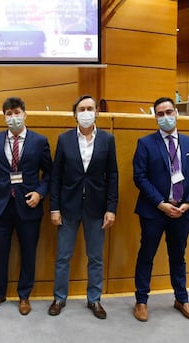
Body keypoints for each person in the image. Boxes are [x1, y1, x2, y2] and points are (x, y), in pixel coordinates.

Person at [133, 97, 189, 322]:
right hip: (154, 211)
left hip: (182, 212)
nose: (165, 117)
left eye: (169, 112)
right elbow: (140, 177)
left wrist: (188, 203)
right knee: (147, 255)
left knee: (178, 256)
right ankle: (142, 301)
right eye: (160, 113)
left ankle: (181, 299)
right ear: (155, 117)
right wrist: (160, 204)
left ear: (177, 113)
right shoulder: (145, 143)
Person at [47, 95, 118, 319]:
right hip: (68, 207)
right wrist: (54, 207)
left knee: (95, 257)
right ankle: (59, 297)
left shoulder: (107, 139)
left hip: (97, 208)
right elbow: (56, 175)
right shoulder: (64, 139)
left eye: (90, 108)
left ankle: (94, 299)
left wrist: (111, 207)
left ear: (96, 112)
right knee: (63, 256)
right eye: (82, 109)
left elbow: (113, 175)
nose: (86, 112)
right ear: (75, 114)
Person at [0, 96, 52, 315]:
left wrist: (40, 193)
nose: (13, 117)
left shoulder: (40, 141)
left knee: (28, 252)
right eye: (8, 113)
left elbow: (50, 173)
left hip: (29, 205)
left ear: (25, 114)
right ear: (3, 116)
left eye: (16, 112)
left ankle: (24, 295)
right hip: (0, 205)